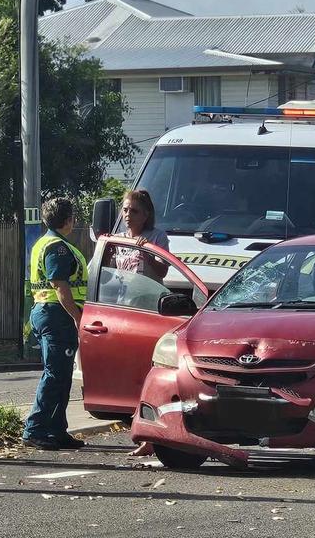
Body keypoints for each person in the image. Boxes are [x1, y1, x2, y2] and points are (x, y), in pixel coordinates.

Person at [22, 198, 89, 451]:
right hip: (57, 315)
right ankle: (35, 429)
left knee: (61, 375)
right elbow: (60, 286)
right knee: (55, 374)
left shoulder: (43, 242)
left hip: (46, 312)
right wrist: (78, 317)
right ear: (69, 220)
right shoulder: (58, 247)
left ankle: (57, 429)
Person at [117, 189, 170, 457]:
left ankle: (151, 438)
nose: (128, 215)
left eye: (134, 211)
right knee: (128, 376)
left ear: (146, 214)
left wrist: (147, 252)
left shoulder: (157, 237)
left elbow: (163, 270)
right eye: (125, 210)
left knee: (148, 375)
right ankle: (139, 431)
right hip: (122, 313)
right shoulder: (119, 238)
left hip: (147, 314)